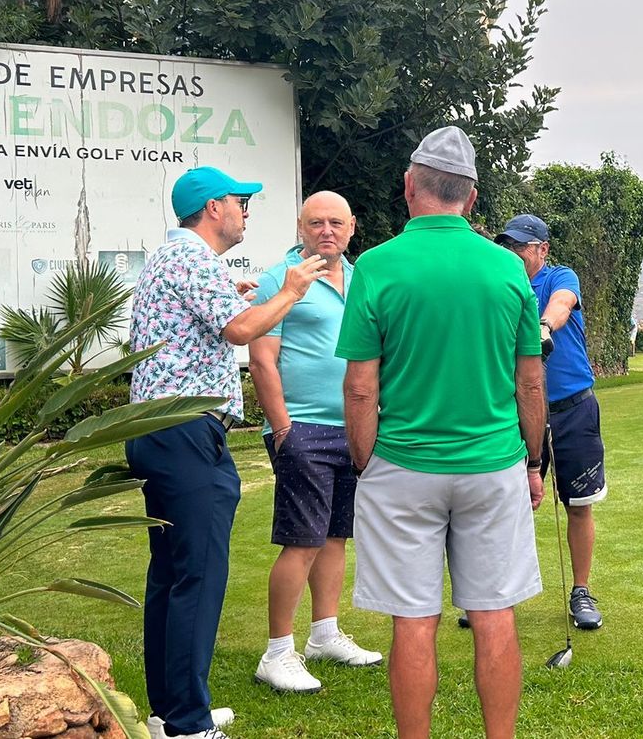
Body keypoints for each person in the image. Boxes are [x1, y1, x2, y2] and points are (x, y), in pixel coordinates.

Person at [338, 126, 546, 739]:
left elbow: (360, 388)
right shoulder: (507, 268)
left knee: (413, 621)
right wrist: (533, 462)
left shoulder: (375, 267)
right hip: (493, 464)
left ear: (409, 186)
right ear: (472, 197)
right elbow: (530, 382)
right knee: (494, 613)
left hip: (402, 466)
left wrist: (364, 462)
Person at [127, 166, 327, 739]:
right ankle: (188, 724)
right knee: (198, 575)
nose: (246, 212)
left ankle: (172, 710)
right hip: (185, 432)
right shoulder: (193, 258)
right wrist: (290, 291)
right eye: (241, 202)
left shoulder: (176, 258)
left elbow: (213, 321)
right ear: (213, 207)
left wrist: (238, 299)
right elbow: (241, 331)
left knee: (172, 574)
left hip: (163, 430)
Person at [249, 191, 383, 694]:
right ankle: (277, 652)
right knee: (301, 541)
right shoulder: (279, 279)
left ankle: (324, 635)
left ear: (352, 227)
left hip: (353, 426)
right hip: (301, 427)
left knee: (334, 537)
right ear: (300, 227)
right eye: (316, 223)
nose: (327, 231)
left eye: (336, 223)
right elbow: (262, 359)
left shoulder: (360, 277)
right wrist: (283, 428)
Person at [497, 213, 607, 630]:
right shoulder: (500, 282)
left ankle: (581, 591)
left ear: (542, 249)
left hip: (573, 408)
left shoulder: (560, 277)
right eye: (507, 246)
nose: (512, 253)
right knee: (508, 505)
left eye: (520, 246)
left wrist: (543, 327)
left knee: (578, 505)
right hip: (518, 412)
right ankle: (495, 595)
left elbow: (561, 304)